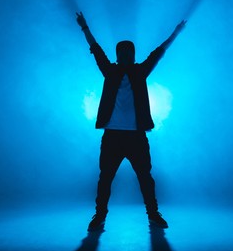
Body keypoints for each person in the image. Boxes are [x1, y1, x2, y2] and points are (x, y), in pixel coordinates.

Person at [76, 12, 186, 231]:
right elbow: (96, 49)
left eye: (129, 52)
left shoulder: (139, 71)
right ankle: (99, 216)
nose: (126, 54)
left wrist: (175, 33)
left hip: (136, 136)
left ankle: (153, 214)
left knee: (145, 177)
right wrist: (85, 27)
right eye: (123, 52)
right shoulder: (110, 71)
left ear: (133, 54)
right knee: (105, 178)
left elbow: (160, 52)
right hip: (113, 136)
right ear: (119, 55)